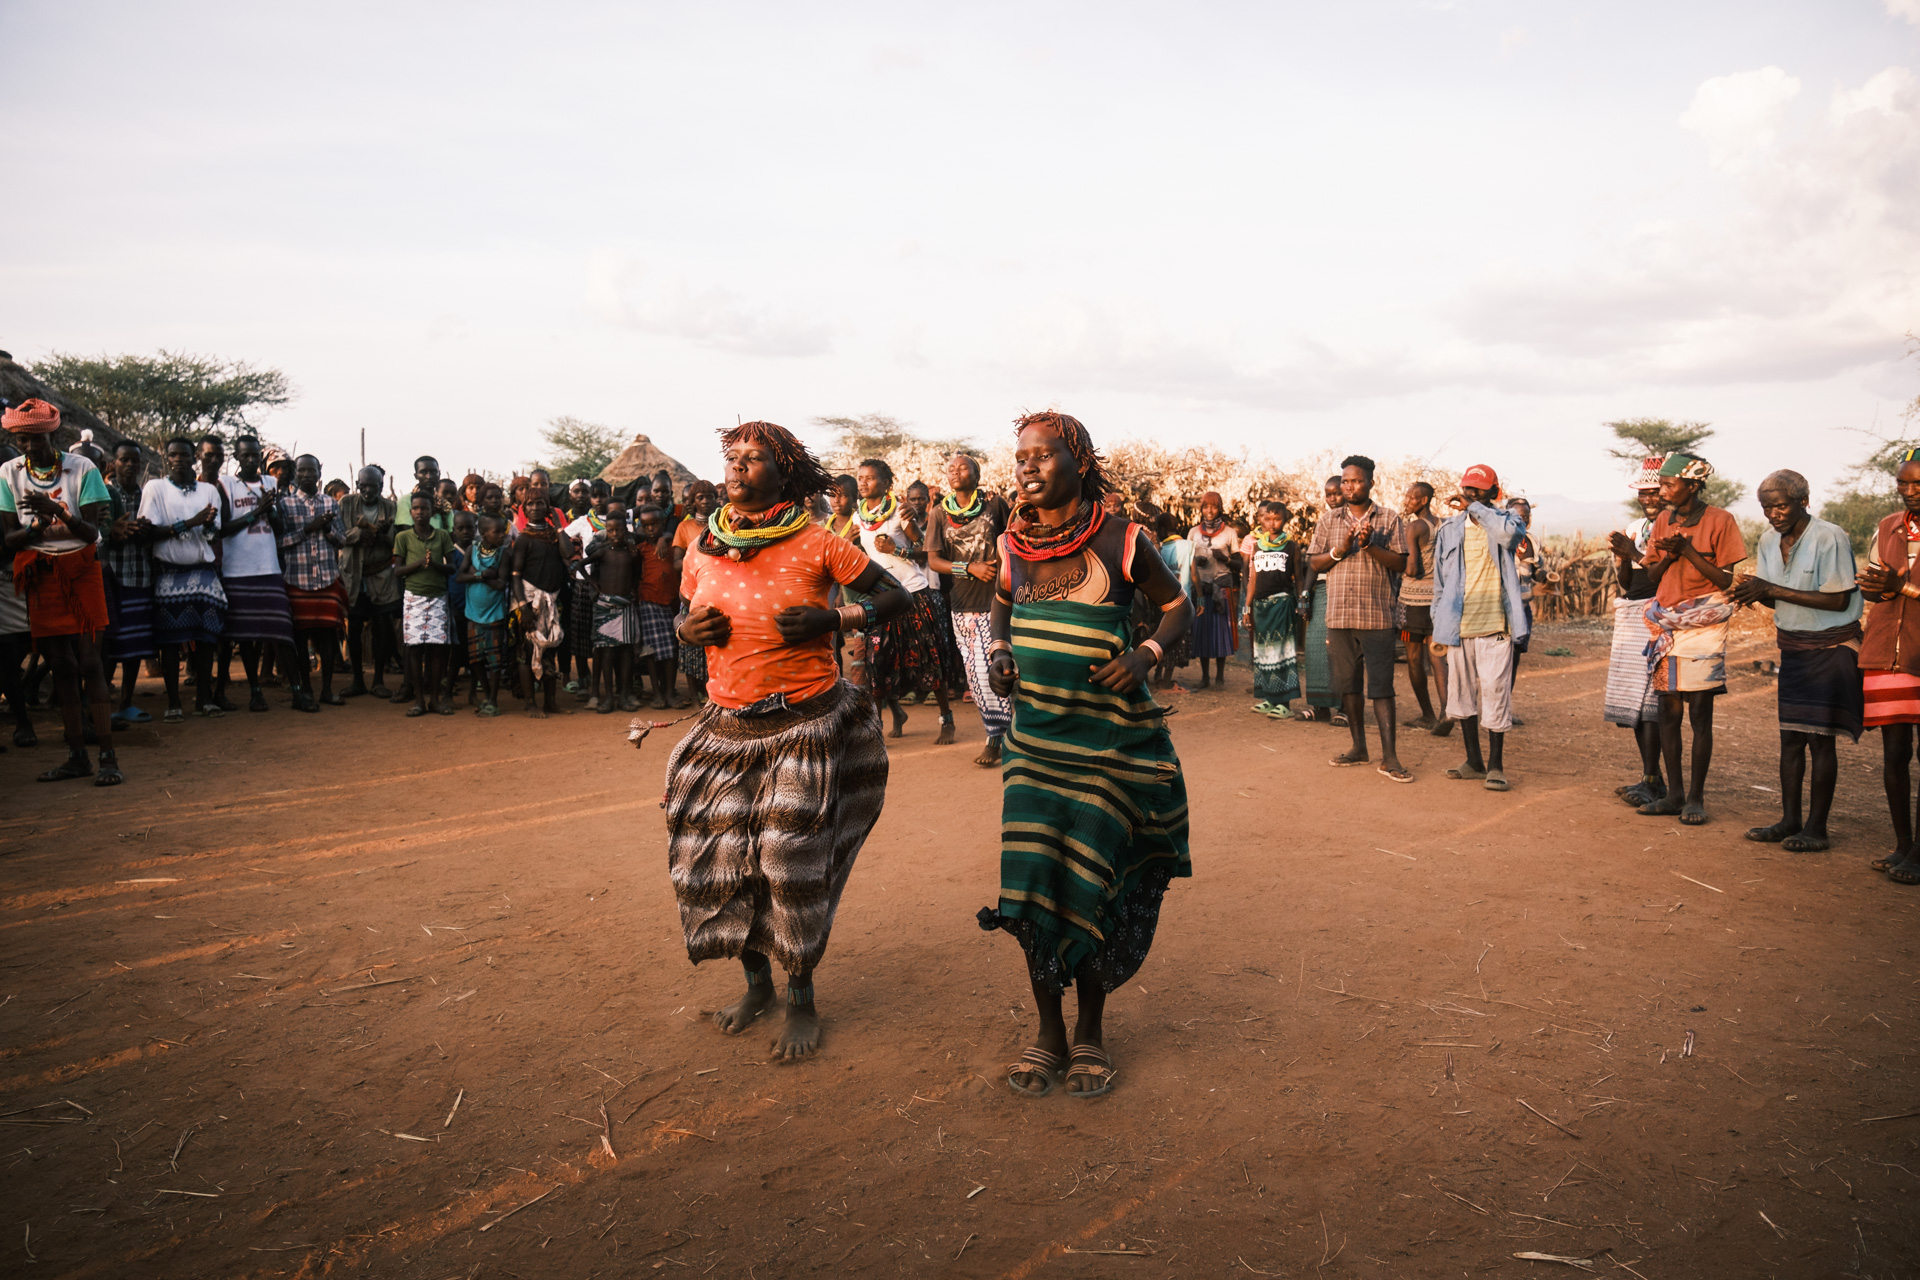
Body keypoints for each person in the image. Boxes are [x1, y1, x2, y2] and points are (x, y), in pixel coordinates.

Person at [667, 420, 908, 1061]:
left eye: (753, 459)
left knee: (787, 865)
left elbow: (895, 595)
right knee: (729, 866)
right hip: (725, 729)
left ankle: (801, 1000)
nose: (738, 467)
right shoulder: (704, 544)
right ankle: (757, 987)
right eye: (733, 457)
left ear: (785, 475)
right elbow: (683, 612)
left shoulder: (819, 541)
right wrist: (689, 632)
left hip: (803, 729)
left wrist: (835, 617)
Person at [977, 411, 1194, 1099]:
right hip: (1036, 745)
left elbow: (1176, 607)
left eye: (1042, 456)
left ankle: (1092, 1030)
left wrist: (1146, 653)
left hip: (1110, 744)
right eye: (1020, 459)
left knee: (1097, 879)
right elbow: (1001, 607)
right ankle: (1048, 1032)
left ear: (1078, 460)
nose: (1027, 469)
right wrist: (1000, 650)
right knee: (1034, 881)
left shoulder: (1123, 538)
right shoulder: (1013, 545)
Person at [1730, 470, 1861, 853]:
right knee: (1790, 738)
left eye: (1781, 505)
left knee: (1820, 741)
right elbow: (1777, 597)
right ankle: (1790, 819)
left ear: (1804, 501)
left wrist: (1769, 588)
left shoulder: (1828, 536)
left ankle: (1817, 828)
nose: (1773, 513)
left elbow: (1838, 600)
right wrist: (1754, 591)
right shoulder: (1769, 540)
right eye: (1767, 507)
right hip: (1794, 646)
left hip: (1830, 648)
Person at [0, 399, 122, 784]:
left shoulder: (81, 467)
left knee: (90, 663)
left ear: (53, 433)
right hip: (41, 573)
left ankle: (108, 757)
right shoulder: (8, 473)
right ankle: (76, 757)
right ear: (15, 439)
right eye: (24, 440)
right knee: (62, 667)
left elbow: (91, 533)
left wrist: (57, 513)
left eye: (38, 439)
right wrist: (37, 529)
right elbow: (10, 540)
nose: (32, 447)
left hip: (82, 569)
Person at [1633, 452, 1748, 825]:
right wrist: (1668, 558)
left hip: (1704, 625)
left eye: (1669, 484)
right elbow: (1651, 578)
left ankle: (1695, 798)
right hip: (1669, 623)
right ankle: (1674, 794)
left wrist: (1689, 552)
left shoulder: (1721, 521)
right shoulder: (1664, 520)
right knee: (1668, 711)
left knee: (1699, 712)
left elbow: (1727, 582)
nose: (1662, 491)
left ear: (1693, 485)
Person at [1307, 455, 1412, 781]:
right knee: (1347, 686)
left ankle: (1390, 757)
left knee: (1381, 689)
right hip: (1338, 617)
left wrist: (1368, 545)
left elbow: (1400, 565)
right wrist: (1341, 549)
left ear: (1370, 483)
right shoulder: (1328, 520)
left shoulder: (1389, 519)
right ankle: (1358, 747)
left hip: (1377, 616)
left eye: (1356, 480)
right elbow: (1314, 563)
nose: (1349, 486)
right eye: (1346, 481)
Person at [1431, 465, 1530, 792]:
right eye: (1467, 489)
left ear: (1493, 493)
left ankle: (1496, 766)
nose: (1470, 495)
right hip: (1458, 626)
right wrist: (1438, 621)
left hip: (1495, 626)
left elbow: (1506, 536)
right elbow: (1440, 582)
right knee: (1462, 696)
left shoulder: (1508, 522)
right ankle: (1473, 761)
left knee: (1495, 693)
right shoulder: (1447, 530)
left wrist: (1474, 507)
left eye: (1478, 490)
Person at [856, 458, 963, 742]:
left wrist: (896, 550)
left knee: (928, 658)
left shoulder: (900, 512)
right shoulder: (858, 518)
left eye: (870, 477)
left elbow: (924, 550)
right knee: (877, 662)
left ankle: (947, 720)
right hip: (882, 597)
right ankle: (879, 727)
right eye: (860, 477)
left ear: (887, 484)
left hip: (913, 593)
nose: (863, 482)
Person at [924, 452, 1014, 765]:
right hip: (963, 603)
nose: (956, 472)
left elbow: (1014, 539)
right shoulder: (938, 514)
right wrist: (969, 568)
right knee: (976, 672)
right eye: (951, 468)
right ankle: (996, 732)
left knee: (1004, 666)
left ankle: (1005, 737)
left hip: (1001, 599)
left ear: (976, 474)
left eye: (964, 467)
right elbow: (934, 560)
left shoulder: (995, 504)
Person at [1855, 450, 1920, 882]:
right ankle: (1904, 845)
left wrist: (1903, 587)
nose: (1909, 492)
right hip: (1887, 650)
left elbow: (1902, 588)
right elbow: (1882, 591)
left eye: (1917, 484)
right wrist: (1876, 587)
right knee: (1895, 753)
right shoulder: (1888, 526)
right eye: (1903, 484)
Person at [139, 437, 227, 723]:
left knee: (205, 640)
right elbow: (148, 532)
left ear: (195, 459)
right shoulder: (155, 488)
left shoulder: (209, 491)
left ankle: (204, 699)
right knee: (169, 641)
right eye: (173, 455)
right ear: (167, 459)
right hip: (169, 571)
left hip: (202, 571)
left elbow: (215, 535)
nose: (179, 459)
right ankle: (174, 702)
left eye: (185, 455)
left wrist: (209, 524)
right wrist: (190, 522)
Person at [216, 435, 303, 713]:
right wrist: (256, 512)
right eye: (246, 456)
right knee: (245, 634)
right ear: (237, 457)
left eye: (255, 456)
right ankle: (255, 691)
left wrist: (272, 510)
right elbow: (222, 529)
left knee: (281, 630)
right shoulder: (226, 484)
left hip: (268, 566)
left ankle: (298, 691)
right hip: (237, 569)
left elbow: (278, 529)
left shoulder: (270, 483)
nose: (251, 460)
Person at [1604, 457, 1672, 807]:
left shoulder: (1673, 528)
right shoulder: (1635, 527)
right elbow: (1628, 583)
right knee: (1635, 701)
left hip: (1660, 615)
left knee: (1652, 703)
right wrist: (1621, 558)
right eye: (1643, 492)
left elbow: (1662, 577)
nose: (1647, 498)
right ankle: (1652, 776)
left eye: (1654, 491)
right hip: (1633, 614)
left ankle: (1655, 779)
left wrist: (1632, 551)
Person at [278, 453, 348, 706]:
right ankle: (305, 688)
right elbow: (279, 542)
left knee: (328, 636)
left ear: (320, 472)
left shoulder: (331, 503)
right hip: (297, 578)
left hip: (327, 576)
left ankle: (327, 690)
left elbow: (343, 540)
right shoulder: (285, 505)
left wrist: (326, 528)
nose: (307, 475)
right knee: (299, 637)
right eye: (302, 471)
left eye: (311, 470)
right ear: (295, 473)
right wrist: (308, 529)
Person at [101, 440, 158, 726]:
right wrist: (115, 531)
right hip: (113, 576)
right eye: (125, 460)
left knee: (135, 644)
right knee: (110, 644)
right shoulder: (105, 493)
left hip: (141, 576)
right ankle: (98, 705)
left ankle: (125, 703)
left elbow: (157, 529)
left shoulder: (147, 493)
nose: (131, 465)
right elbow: (98, 533)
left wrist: (145, 531)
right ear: (115, 463)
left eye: (135, 460)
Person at [339, 465, 402, 699]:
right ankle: (357, 680)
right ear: (357, 485)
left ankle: (378, 680)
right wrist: (357, 534)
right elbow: (336, 534)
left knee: (382, 627)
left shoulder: (391, 507)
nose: (367, 490)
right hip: (353, 575)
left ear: (381, 487)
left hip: (382, 576)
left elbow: (397, 540)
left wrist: (384, 533)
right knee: (353, 627)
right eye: (363, 485)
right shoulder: (345, 504)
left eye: (373, 486)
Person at [393, 492, 457, 716]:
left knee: (437, 650)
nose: (420, 512)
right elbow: (397, 571)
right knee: (414, 650)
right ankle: (419, 700)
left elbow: (452, 568)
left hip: (438, 597)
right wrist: (419, 564)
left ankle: (434, 700)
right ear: (410, 512)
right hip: (414, 598)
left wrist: (435, 565)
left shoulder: (442, 536)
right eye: (416, 508)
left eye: (425, 508)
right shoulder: (403, 538)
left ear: (432, 512)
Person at [1242, 501, 1302, 717]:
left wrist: (1302, 602)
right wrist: (1246, 608)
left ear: (1285, 520)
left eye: (1277, 518)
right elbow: (1252, 579)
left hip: (1282, 605)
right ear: (1261, 519)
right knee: (1263, 652)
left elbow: (1299, 578)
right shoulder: (1257, 546)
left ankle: (1284, 704)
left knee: (1281, 652)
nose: (1272, 523)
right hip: (1260, 607)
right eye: (1268, 518)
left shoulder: (1292, 547)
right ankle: (1268, 698)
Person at [511, 492, 568, 716]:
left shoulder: (554, 535)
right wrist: (523, 607)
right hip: (529, 602)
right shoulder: (524, 538)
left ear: (548, 508)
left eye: (540, 503)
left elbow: (568, 552)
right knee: (527, 652)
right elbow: (515, 576)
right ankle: (530, 703)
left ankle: (550, 702)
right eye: (531, 504)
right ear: (524, 509)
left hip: (551, 601)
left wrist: (558, 525)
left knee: (550, 649)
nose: (535, 507)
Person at [1399, 481, 1450, 733]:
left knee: (1413, 657)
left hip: (1413, 603)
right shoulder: (1442, 525)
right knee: (1438, 654)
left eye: (1411, 497)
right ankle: (1446, 712)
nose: (1407, 500)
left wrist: (1392, 559)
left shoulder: (1414, 526)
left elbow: (1412, 568)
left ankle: (1427, 715)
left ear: (1424, 501)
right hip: (1438, 600)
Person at [581, 506, 640, 712]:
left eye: (619, 530)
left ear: (626, 530)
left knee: (625, 653)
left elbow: (637, 575)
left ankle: (624, 696)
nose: (615, 534)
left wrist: (633, 590)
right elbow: (579, 565)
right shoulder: (603, 552)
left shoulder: (632, 553)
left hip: (626, 605)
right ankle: (608, 698)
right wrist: (593, 584)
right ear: (606, 530)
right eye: (611, 530)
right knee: (606, 653)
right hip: (605, 606)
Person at [1298, 476, 1345, 725]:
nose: (1332, 498)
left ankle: (1345, 707)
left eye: (1336, 493)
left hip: (1347, 589)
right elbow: (1313, 562)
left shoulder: (1356, 521)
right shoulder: (1324, 522)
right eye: (1328, 494)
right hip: (1323, 587)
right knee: (1316, 645)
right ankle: (1320, 706)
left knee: (1340, 648)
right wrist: (1305, 595)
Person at [458, 514, 513, 716]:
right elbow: (459, 576)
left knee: (495, 659)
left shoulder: (503, 554)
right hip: (473, 614)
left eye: (503, 531)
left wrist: (480, 575)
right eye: (497, 531)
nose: (502, 535)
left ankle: (493, 699)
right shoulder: (472, 551)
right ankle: (488, 694)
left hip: (495, 614)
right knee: (476, 658)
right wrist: (481, 574)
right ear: (483, 533)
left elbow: (500, 584)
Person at [632, 504, 684, 708]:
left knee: (671, 650)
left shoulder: (673, 546)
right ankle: (657, 693)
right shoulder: (641, 549)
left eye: (655, 524)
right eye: (647, 526)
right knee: (652, 651)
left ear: (663, 524)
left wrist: (666, 537)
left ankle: (670, 692)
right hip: (648, 601)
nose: (651, 529)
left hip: (671, 602)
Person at [673, 480, 719, 703]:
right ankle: (694, 695)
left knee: (715, 639)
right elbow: (675, 560)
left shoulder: (724, 524)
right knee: (692, 642)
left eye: (710, 496)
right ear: (692, 502)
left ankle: (714, 693)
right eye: (700, 498)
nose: (706, 501)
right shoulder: (684, 527)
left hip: (719, 590)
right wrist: (696, 563)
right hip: (691, 589)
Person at [1188, 492, 1239, 689]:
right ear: (1201, 509)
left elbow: (1238, 565)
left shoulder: (1230, 533)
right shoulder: (1193, 533)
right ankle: (1204, 677)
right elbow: (1187, 561)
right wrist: (1195, 561)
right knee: (1202, 633)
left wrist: (1225, 559)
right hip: (1201, 589)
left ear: (1220, 509)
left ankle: (1220, 677)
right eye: (1206, 507)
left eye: (1214, 507)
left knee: (1220, 633)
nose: (1209, 511)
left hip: (1221, 589)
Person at [1151, 512, 1195, 689]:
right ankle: (1167, 681)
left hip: (1161, 603)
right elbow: (1194, 575)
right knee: (1175, 641)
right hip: (1183, 602)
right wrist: (1199, 600)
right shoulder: (1188, 546)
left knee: (1160, 636)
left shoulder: (1159, 548)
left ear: (1161, 529)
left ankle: (1157, 674)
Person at [395, 456, 453, 531]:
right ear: (416, 476)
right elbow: (406, 531)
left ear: (439, 474)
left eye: (433, 472)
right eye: (423, 472)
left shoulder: (445, 505)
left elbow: (451, 533)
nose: (429, 476)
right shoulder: (406, 501)